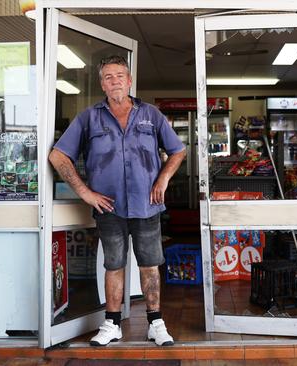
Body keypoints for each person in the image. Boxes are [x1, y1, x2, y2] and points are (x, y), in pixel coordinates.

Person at [48, 55, 186, 347]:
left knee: (149, 265)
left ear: (129, 80)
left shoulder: (151, 114)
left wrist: (162, 180)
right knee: (114, 264)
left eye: (119, 75)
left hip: (146, 205)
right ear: (102, 83)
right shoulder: (89, 117)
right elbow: (58, 156)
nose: (115, 81)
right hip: (109, 206)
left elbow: (177, 151)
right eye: (108, 77)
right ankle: (111, 324)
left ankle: (155, 323)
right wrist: (85, 192)